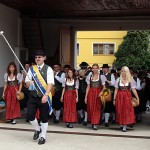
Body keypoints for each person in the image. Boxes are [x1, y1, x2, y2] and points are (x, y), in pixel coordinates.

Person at [25, 50, 54, 145]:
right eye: (36, 57)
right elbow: (26, 82)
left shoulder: (48, 69)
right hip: (33, 96)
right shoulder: (31, 69)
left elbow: (50, 83)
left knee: (44, 117)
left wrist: (46, 95)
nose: (38, 59)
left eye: (40, 57)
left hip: (43, 96)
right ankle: (37, 129)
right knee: (29, 115)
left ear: (44, 58)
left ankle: (43, 136)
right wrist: (29, 82)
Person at [113, 66, 140, 132]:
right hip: (119, 96)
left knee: (126, 111)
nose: (123, 72)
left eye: (124, 71)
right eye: (122, 71)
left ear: (127, 72)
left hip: (127, 96)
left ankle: (124, 126)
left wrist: (137, 98)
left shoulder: (130, 80)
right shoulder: (118, 79)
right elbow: (116, 90)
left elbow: (133, 90)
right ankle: (121, 124)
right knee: (119, 110)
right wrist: (114, 99)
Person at [85, 63, 106, 130]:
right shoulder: (89, 76)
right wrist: (86, 96)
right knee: (91, 108)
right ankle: (93, 122)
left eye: (96, 68)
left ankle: (95, 123)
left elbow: (104, 88)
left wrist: (101, 92)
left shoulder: (101, 76)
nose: (94, 69)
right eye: (93, 68)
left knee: (97, 108)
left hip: (98, 93)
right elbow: (88, 87)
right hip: (91, 93)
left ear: (98, 69)